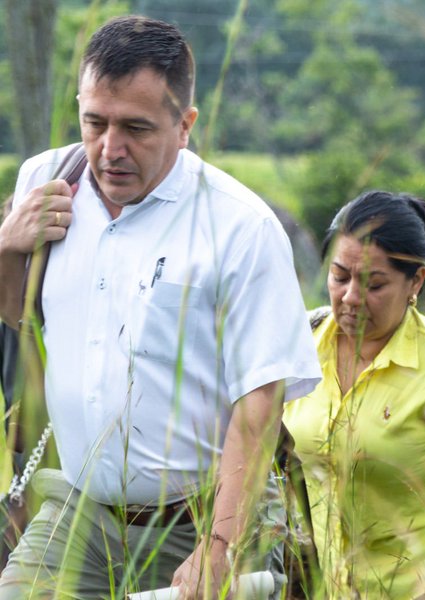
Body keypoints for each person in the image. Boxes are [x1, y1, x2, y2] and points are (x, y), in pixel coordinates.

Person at [0, 16, 321, 598]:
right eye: (93, 121)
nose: (109, 148)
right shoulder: (46, 180)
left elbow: (259, 409)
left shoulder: (239, 228)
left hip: (201, 521)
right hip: (80, 510)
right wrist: (5, 248)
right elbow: (16, 319)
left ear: (185, 125)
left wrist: (218, 553)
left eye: (136, 128)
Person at [282, 190, 425, 599]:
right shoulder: (298, 347)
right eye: (340, 277)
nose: (351, 298)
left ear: (416, 281)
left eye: (374, 285)